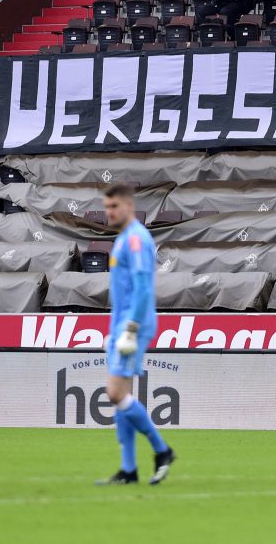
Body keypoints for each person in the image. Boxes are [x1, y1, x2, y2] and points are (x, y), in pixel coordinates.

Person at [95, 183, 175, 486]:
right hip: (121, 325)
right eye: (106, 207)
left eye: (114, 206)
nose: (109, 212)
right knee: (121, 397)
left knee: (114, 393)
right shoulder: (123, 239)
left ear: (129, 206)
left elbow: (143, 290)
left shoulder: (138, 240)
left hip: (135, 325)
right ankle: (129, 470)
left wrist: (129, 329)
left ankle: (162, 449)